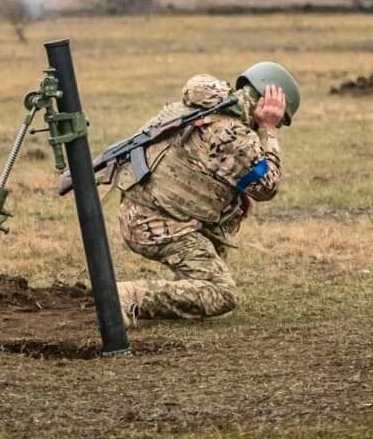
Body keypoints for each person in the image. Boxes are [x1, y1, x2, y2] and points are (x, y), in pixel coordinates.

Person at [112, 62, 300, 328]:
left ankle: (186, 289)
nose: (279, 121)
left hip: (141, 210)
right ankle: (126, 296)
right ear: (267, 100)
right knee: (222, 294)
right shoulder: (235, 134)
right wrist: (268, 129)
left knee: (230, 212)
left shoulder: (204, 107)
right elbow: (267, 187)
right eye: (280, 116)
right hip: (154, 223)